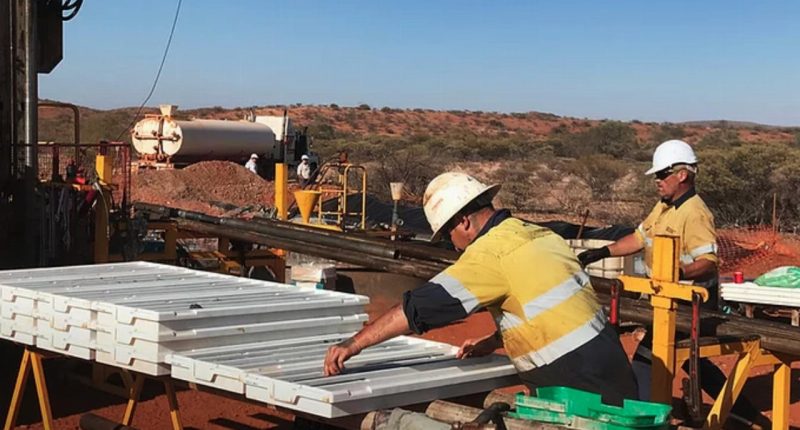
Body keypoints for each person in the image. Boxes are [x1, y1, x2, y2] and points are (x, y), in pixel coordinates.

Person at [324, 172, 638, 405]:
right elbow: (547, 306)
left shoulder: (489, 254)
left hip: (572, 382)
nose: (453, 245)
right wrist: (494, 341)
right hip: (613, 366)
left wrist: (354, 344)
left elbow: (417, 308)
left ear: (462, 222)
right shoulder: (538, 235)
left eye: (448, 235)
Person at [577, 140, 764, 422]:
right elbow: (639, 238)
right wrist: (603, 251)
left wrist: (678, 274)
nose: (657, 181)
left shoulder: (695, 212)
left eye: (662, 174)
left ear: (683, 174)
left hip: (691, 303)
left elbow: (708, 263)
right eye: (656, 175)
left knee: (646, 360)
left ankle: (640, 419)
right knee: (695, 362)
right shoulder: (664, 208)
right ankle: (746, 416)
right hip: (665, 300)